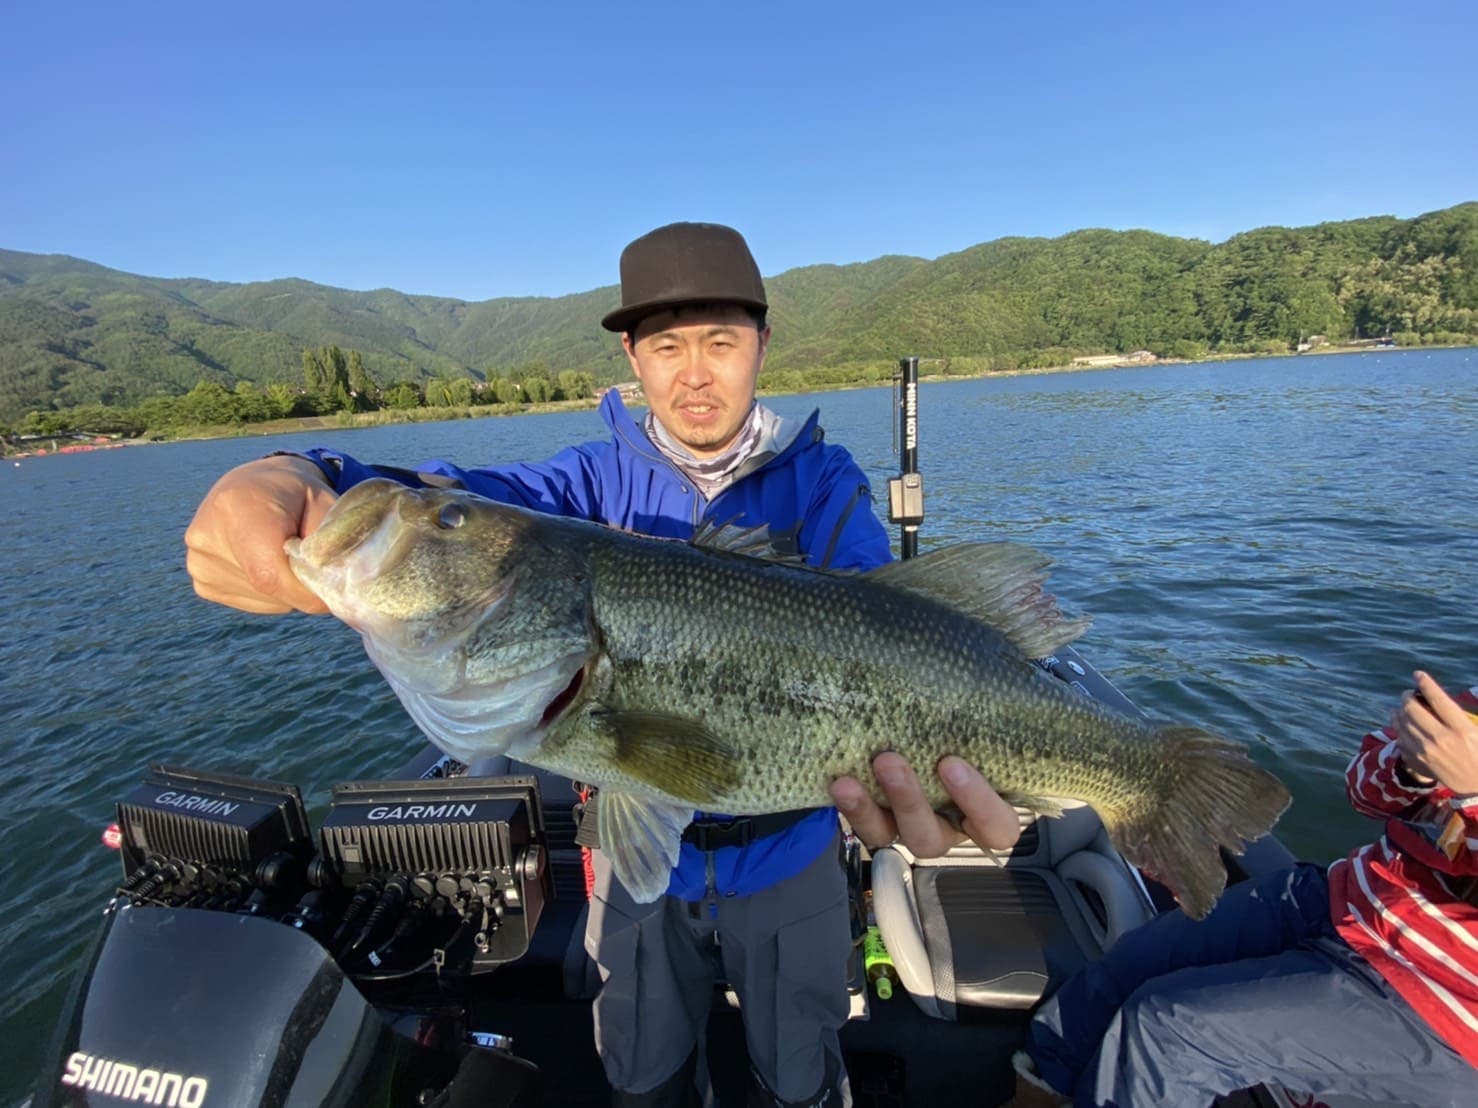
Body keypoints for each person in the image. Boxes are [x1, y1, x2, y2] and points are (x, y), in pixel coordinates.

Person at [184, 220, 1017, 1107]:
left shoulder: (824, 482)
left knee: (799, 1073)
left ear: (763, 346)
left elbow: (888, 631)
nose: (694, 373)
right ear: (633, 355)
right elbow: (440, 494)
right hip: (627, 866)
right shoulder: (581, 485)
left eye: (721, 342)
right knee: (641, 1073)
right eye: (667, 346)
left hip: (791, 858)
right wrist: (290, 470)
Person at [999, 669, 1478, 1108]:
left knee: (1167, 1031)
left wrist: (1472, 793)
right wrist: (1414, 767)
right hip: (1343, 898)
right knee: (1123, 967)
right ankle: (1036, 1096)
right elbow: (1364, 791)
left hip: (1443, 997)